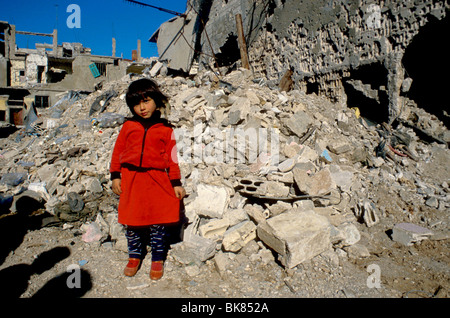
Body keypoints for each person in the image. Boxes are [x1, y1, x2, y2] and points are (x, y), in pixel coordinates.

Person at [110, 78, 186, 280]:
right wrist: (115, 175)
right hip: (132, 178)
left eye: (146, 101)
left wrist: (176, 182)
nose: (142, 108)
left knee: (158, 222)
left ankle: (158, 258)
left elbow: (172, 158)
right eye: (136, 103)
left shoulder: (165, 129)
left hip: (157, 179)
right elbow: (118, 151)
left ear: (156, 101)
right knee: (132, 221)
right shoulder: (128, 127)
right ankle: (134, 256)